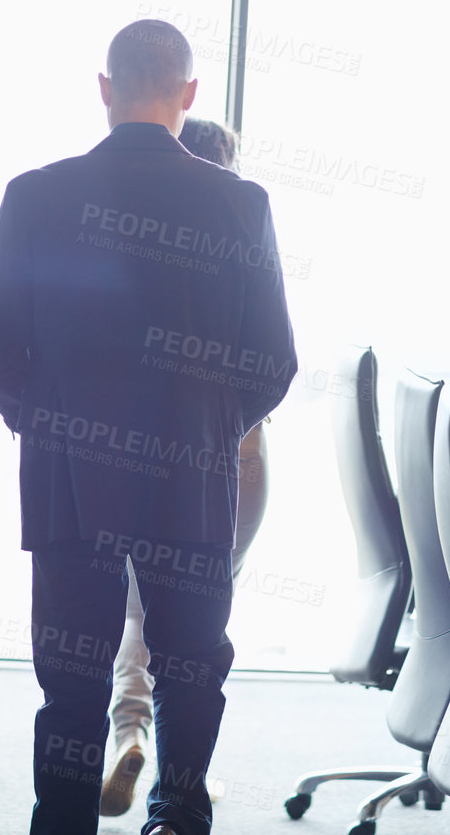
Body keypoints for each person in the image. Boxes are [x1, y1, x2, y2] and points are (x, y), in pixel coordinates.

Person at [0, 20, 297, 835]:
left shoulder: (35, 194)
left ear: (105, 89)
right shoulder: (241, 205)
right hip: (190, 478)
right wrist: (213, 431)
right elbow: (273, 362)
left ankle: (65, 823)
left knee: (73, 679)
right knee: (190, 670)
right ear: (187, 97)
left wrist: (43, 424)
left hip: (70, 477)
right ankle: (176, 817)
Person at [99, 118, 271, 818]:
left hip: (151, 457)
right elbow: (273, 360)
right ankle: (180, 785)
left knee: (141, 611)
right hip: (239, 459)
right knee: (198, 634)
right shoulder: (243, 226)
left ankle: (128, 735)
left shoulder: (144, 238)